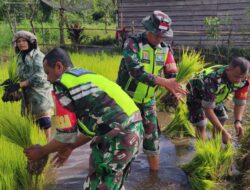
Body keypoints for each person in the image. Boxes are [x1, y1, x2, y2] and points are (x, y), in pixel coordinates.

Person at [24, 48, 144, 190]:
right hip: (133, 129)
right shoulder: (84, 75)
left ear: (59, 66)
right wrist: (70, 147)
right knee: (106, 182)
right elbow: (93, 127)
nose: (48, 79)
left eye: (48, 73)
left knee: (101, 185)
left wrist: (42, 151)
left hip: (120, 136)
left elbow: (65, 135)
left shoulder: (62, 84)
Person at [116, 10, 186, 171]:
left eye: (162, 35)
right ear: (148, 29)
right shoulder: (133, 43)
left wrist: (174, 88)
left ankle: (154, 177)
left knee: (153, 141)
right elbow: (136, 72)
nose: (158, 38)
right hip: (127, 99)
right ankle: (118, 176)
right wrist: (164, 82)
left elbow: (172, 73)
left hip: (148, 101)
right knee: (124, 139)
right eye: (156, 34)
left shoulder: (165, 49)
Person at [186, 57, 250, 144]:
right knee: (201, 124)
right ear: (228, 70)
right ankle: (203, 149)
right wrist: (224, 132)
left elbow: (240, 102)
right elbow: (208, 110)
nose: (239, 81)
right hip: (196, 94)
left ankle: (214, 142)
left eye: (242, 77)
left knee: (222, 117)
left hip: (215, 95)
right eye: (236, 76)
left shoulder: (244, 81)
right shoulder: (212, 79)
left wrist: (238, 121)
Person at [4, 30, 53, 140]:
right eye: (19, 41)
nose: (21, 43)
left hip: (40, 94)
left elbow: (41, 75)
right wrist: (12, 81)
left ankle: (48, 146)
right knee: (33, 124)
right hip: (27, 96)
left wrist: (21, 84)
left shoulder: (38, 56)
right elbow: (20, 74)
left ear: (31, 42)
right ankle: (40, 147)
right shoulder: (19, 58)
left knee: (44, 121)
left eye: (24, 41)